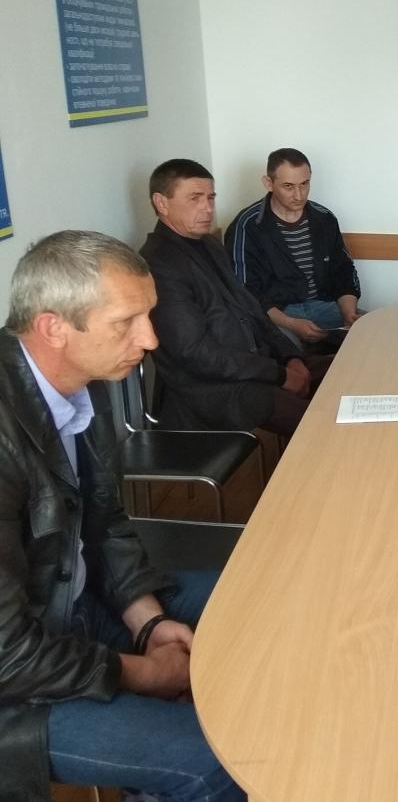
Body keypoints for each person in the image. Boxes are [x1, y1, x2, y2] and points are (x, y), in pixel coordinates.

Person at [0, 231, 244, 801]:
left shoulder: (84, 380)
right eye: (125, 322)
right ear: (53, 328)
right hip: (20, 687)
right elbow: (9, 654)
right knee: (216, 763)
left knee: (253, 603)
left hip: (78, 607)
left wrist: (148, 622)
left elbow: (106, 524)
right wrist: (144, 672)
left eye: (148, 316)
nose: (150, 339)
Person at [140, 158, 325, 436]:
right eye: (195, 198)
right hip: (213, 390)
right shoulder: (159, 264)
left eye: (210, 197)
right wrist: (280, 375)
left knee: (344, 370)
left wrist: (291, 358)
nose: (207, 208)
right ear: (161, 203)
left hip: (254, 368)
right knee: (321, 424)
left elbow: (253, 312)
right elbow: (197, 354)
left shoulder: (210, 245)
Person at [225, 148, 362, 349]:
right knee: (289, 351)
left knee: (373, 333)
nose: (299, 195)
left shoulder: (324, 218)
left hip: (326, 307)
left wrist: (349, 313)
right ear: (269, 183)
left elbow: (343, 271)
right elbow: (246, 290)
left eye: (304, 184)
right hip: (278, 315)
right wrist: (291, 324)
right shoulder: (247, 226)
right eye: (288, 186)